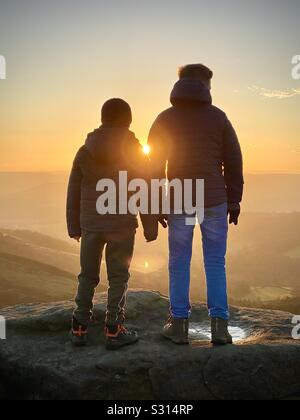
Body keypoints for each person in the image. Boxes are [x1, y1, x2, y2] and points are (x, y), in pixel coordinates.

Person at [148, 64, 244, 345]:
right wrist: (234, 198)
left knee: (179, 261)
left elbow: (153, 166)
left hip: (181, 201)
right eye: (210, 86)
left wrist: (156, 204)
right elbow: (234, 160)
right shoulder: (219, 118)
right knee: (215, 262)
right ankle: (220, 327)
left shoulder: (164, 119)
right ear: (204, 85)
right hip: (214, 200)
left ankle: (178, 325)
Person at [67, 98, 157, 350]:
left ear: (102, 119)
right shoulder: (134, 149)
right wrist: (150, 226)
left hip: (91, 225)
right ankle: (114, 329)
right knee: (118, 276)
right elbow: (145, 189)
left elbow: (73, 191)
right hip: (121, 224)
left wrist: (74, 226)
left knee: (87, 274)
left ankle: (79, 327)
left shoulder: (85, 150)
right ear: (128, 121)